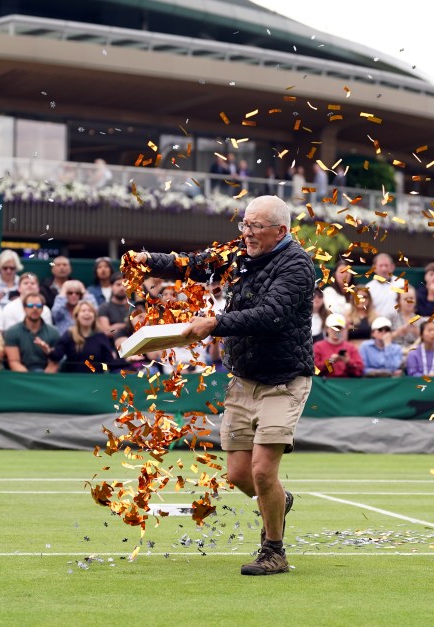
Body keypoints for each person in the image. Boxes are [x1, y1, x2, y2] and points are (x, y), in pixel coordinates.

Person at [130, 195, 314, 576]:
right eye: (244, 224)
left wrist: (213, 324)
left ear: (280, 231)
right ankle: (279, 501)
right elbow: (195, 265)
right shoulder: (241, 250)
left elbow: (271, 315)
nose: (245, 233)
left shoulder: (297, 266)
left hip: (284, 379)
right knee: (239, 475)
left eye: (255, 227)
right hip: (243, 377)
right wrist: (148, 260)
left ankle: (274, 551)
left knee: (263, 472)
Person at [49, 301, 128, 373]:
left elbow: (109, 362)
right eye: (83, 311)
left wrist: (127, 361)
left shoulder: (101, 337)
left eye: (90, 311)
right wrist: (48, 351)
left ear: (94, 316)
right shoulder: (69, 335)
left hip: (94, 382)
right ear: (77, 316)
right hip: (72, 381)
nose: (87, 313)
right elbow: (57, 356)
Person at [3, 293, 60, 373]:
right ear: (24, 308)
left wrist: (43, 379)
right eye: (30, 305)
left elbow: (54, 362)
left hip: (46, 377)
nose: (35, 308)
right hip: (21, 376)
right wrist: (31, 379)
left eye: (39, 305)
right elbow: (14, 363)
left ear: (43, 309)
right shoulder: (12, 332)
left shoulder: (54, 332)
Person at [314, 313, 364, 378]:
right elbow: (315, 371)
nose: (336, 331)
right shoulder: (318, 346)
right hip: (326, 383)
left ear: (343, 330)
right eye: (333, 328)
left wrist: (348, 362)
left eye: (339, 328)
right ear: (327, 329)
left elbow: (360, 371)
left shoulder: (350, 347)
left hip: (346, 383)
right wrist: (330, 361)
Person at [365, 253, 405, 318]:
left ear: (392, 267)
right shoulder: (368, 288)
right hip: (377, 324)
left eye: (386, 265)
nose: (384, 269)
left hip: (399, 323)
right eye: (380, 266)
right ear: (374, 268)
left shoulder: (402, 284)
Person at [97, 274, 133, 339]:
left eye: (125, 285)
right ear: (111, 286)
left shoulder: (134, 307)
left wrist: (116, 326)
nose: (122, 288)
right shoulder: (104, 307)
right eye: (118, 285)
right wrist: (127, 326)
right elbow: (107, 332)